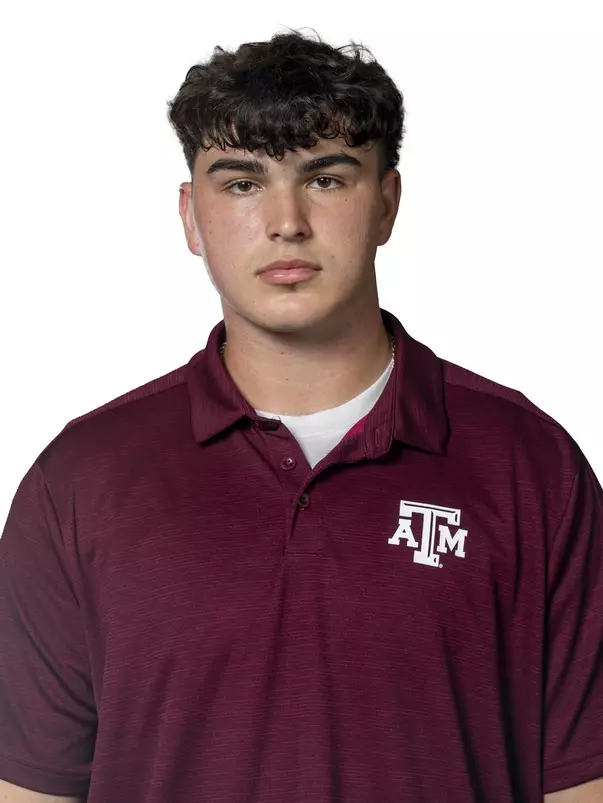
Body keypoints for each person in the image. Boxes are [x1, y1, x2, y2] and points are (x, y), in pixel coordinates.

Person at [0, 27, 602, 803]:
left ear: (386, 201)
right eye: (242, 182)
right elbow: (30, 787)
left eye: (325, 178)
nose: (286, 221)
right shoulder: (79, 479)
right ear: (191, 216)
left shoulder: (528, 465)